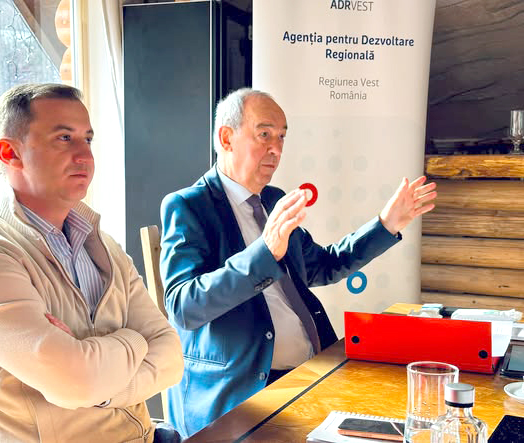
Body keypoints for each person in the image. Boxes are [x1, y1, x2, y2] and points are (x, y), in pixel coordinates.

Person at [159, 88, 437, 437]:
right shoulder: (188, 206)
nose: (276, 149)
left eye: (282, 137)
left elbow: (324, 265)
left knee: (415, 416)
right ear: (226, 138)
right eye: (264, 134)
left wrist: (386, 224)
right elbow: (183, 306)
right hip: (244, 391)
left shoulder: (273, 200)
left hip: (311, 374)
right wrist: (265, 253)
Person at [0, 84, 183, 442]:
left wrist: (98, 383)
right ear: (9, 153)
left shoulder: (105, 246)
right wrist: (134, 341)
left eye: (88, 139)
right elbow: (77, 382)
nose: (85, 156)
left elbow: (171, 356)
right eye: (64, 138)